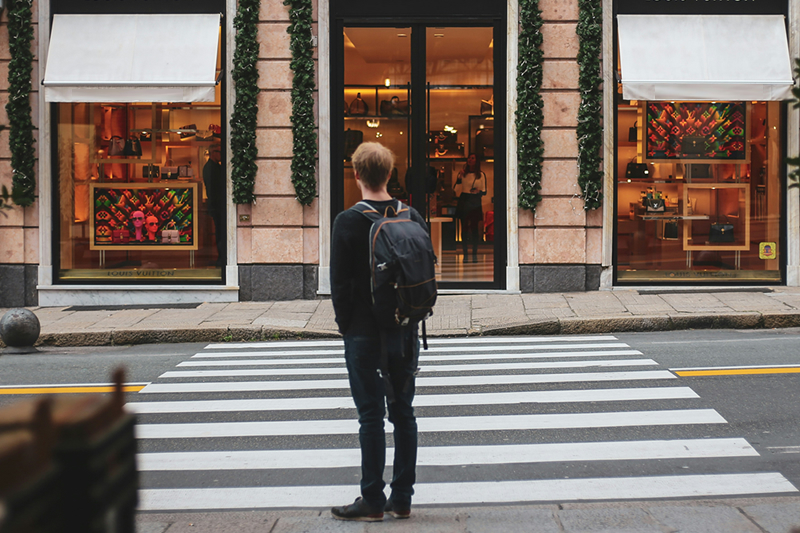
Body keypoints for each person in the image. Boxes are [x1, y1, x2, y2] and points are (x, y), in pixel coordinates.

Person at [330, 142, 426, 522]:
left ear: (356, 175)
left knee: (370, 415)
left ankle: (372, 498)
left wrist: (346, 328)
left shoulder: (348, 221)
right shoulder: (411, 215)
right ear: (389, 174)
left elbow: (340, 285)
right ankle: (402, 497)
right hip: (405, 330)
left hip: (364, 333)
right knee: (403, 412)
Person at [453, 153, 487, 262]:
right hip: (464, 199)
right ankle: (465, 253)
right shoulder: (463, 173)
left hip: (475, 200)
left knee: (474, 228)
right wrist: (459, 178)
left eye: (472, 158)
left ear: (476, 161)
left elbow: (485, 191)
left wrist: (478, 191)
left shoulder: (481, 175)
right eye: (469, 158)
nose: (470, 160)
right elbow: (456, 189)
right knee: (464, 228)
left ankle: (474, 253)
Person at [202, 143, 226, 266]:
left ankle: (221, 257)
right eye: (219, 152)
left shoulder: (215, 166)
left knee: (221, 231)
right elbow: (212, 189)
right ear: (213, 153)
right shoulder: (211, 168)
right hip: (218, 206)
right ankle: (221, 258)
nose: (221, 155)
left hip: (217, 205)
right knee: (220, 232)